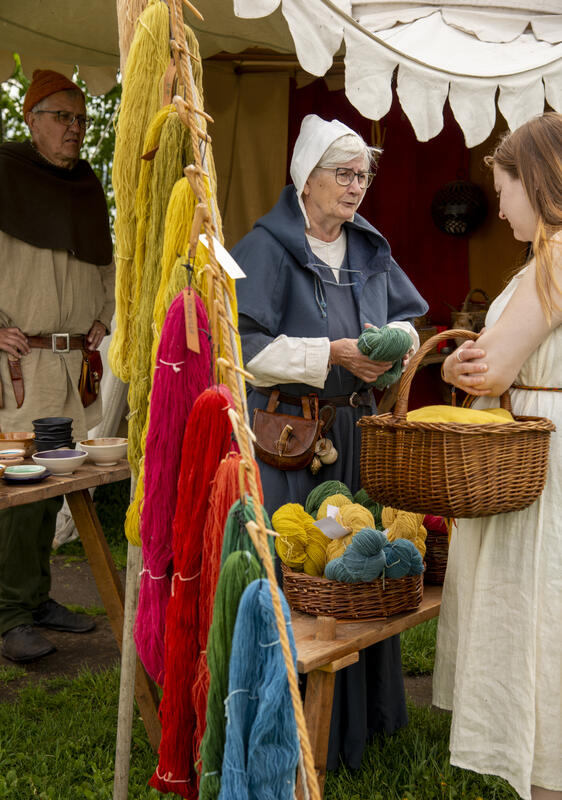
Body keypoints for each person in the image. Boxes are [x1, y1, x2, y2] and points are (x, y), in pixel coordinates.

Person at [233, 114, 428, 770]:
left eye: (362, 175)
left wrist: (394, 347)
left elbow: (408, 319)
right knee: (302, 563)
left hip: (354, 430)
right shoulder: (265, 248)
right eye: (343, 174)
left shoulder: (367, 247)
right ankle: (289, 729)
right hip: (289, 435)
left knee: (355, 564)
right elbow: (241, 347)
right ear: (306, 178)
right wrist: (331, 353)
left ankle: (362, 723)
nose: (355, 186)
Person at [433, 112, 562, 800]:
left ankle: (546, 772)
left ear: (533, 182)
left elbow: (491, 369)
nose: (502, 206)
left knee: (539, 611)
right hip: (538, 446)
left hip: (542, 462)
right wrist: (468, 362)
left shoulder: (559, 253)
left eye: (505, 188)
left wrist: (457, 366)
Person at [0, 70, 115, 663]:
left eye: (81, 119)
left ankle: (36, 598)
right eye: (63, 117)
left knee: (52, 485)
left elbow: (106, 266)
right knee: (22, 484)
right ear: (32, 120)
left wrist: (103, 316)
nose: (75, 128)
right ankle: (10, 615)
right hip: (20, 364)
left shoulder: (84, 185)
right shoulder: (4, 173)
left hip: (73, 363)